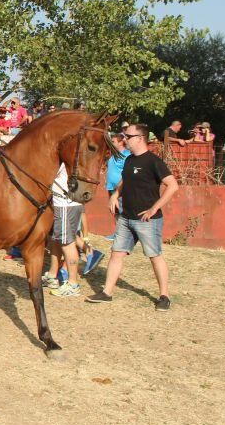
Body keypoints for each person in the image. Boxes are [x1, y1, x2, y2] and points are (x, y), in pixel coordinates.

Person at [87, 124, 178, 310]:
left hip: (147, 220)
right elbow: (124, 181)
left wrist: (154, 209)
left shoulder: (153, 161)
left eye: (128, 136)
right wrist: (115, 195)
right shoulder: (129, 160)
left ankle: (164, 296)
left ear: (140, 138)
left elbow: (173, 185)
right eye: (124, 136)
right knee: (116, 254)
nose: (124, 139)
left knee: (154, 256)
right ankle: (107, 293)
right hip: (126, 218)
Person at [42, 164, 84, 296]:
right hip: (64, 204)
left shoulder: (63, 161)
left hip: (65, 204)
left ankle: (72, 284)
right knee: (57, 240)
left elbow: (46, 174)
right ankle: (53, 276)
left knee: (67, 244)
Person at [103, 132, 130, 241]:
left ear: (120, 142)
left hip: (121, 189)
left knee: (123, 211)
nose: (111, 143)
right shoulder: (113, 155)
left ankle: (124, 235)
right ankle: (118, 233)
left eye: (113, 142)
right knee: (115, 211)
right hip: (111, 188)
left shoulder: (127, 155)